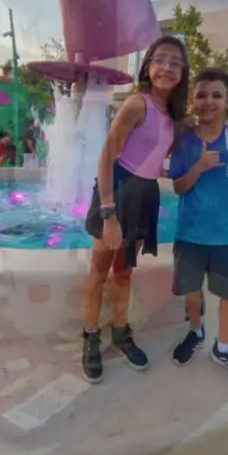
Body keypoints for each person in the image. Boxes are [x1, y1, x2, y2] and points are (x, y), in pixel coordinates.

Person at [81, 35, 189, 384]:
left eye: (175, 63)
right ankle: (90, 336)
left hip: (145, 195)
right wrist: (108, 213)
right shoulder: (136, 104)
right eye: (161, 59)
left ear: (183, 73)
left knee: (125, 271)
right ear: (148, 66)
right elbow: (105, 157)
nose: (167, 67)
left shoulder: (173, 116)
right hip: (118, 190)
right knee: (99, 272)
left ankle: (120, 332)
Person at [168, 68, 228, 387]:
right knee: (192, 292)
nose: (209, 101)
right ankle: (196, 331)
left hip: (224, 237)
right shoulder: (185, 142)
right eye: (202, 95)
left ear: (227, 102)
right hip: (190, 235)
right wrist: (199, 167)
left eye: (217, 95)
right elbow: (178, 187)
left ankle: (224, 347)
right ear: (194, 101)